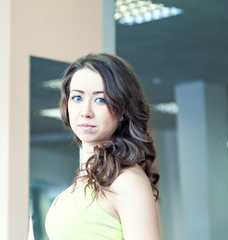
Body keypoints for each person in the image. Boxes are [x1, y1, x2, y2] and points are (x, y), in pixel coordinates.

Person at [45, 53, 161, 240]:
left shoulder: (126, 180)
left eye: (101, 100)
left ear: (122, 109)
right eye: (77, 98)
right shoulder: (85, 180)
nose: (86, 112)